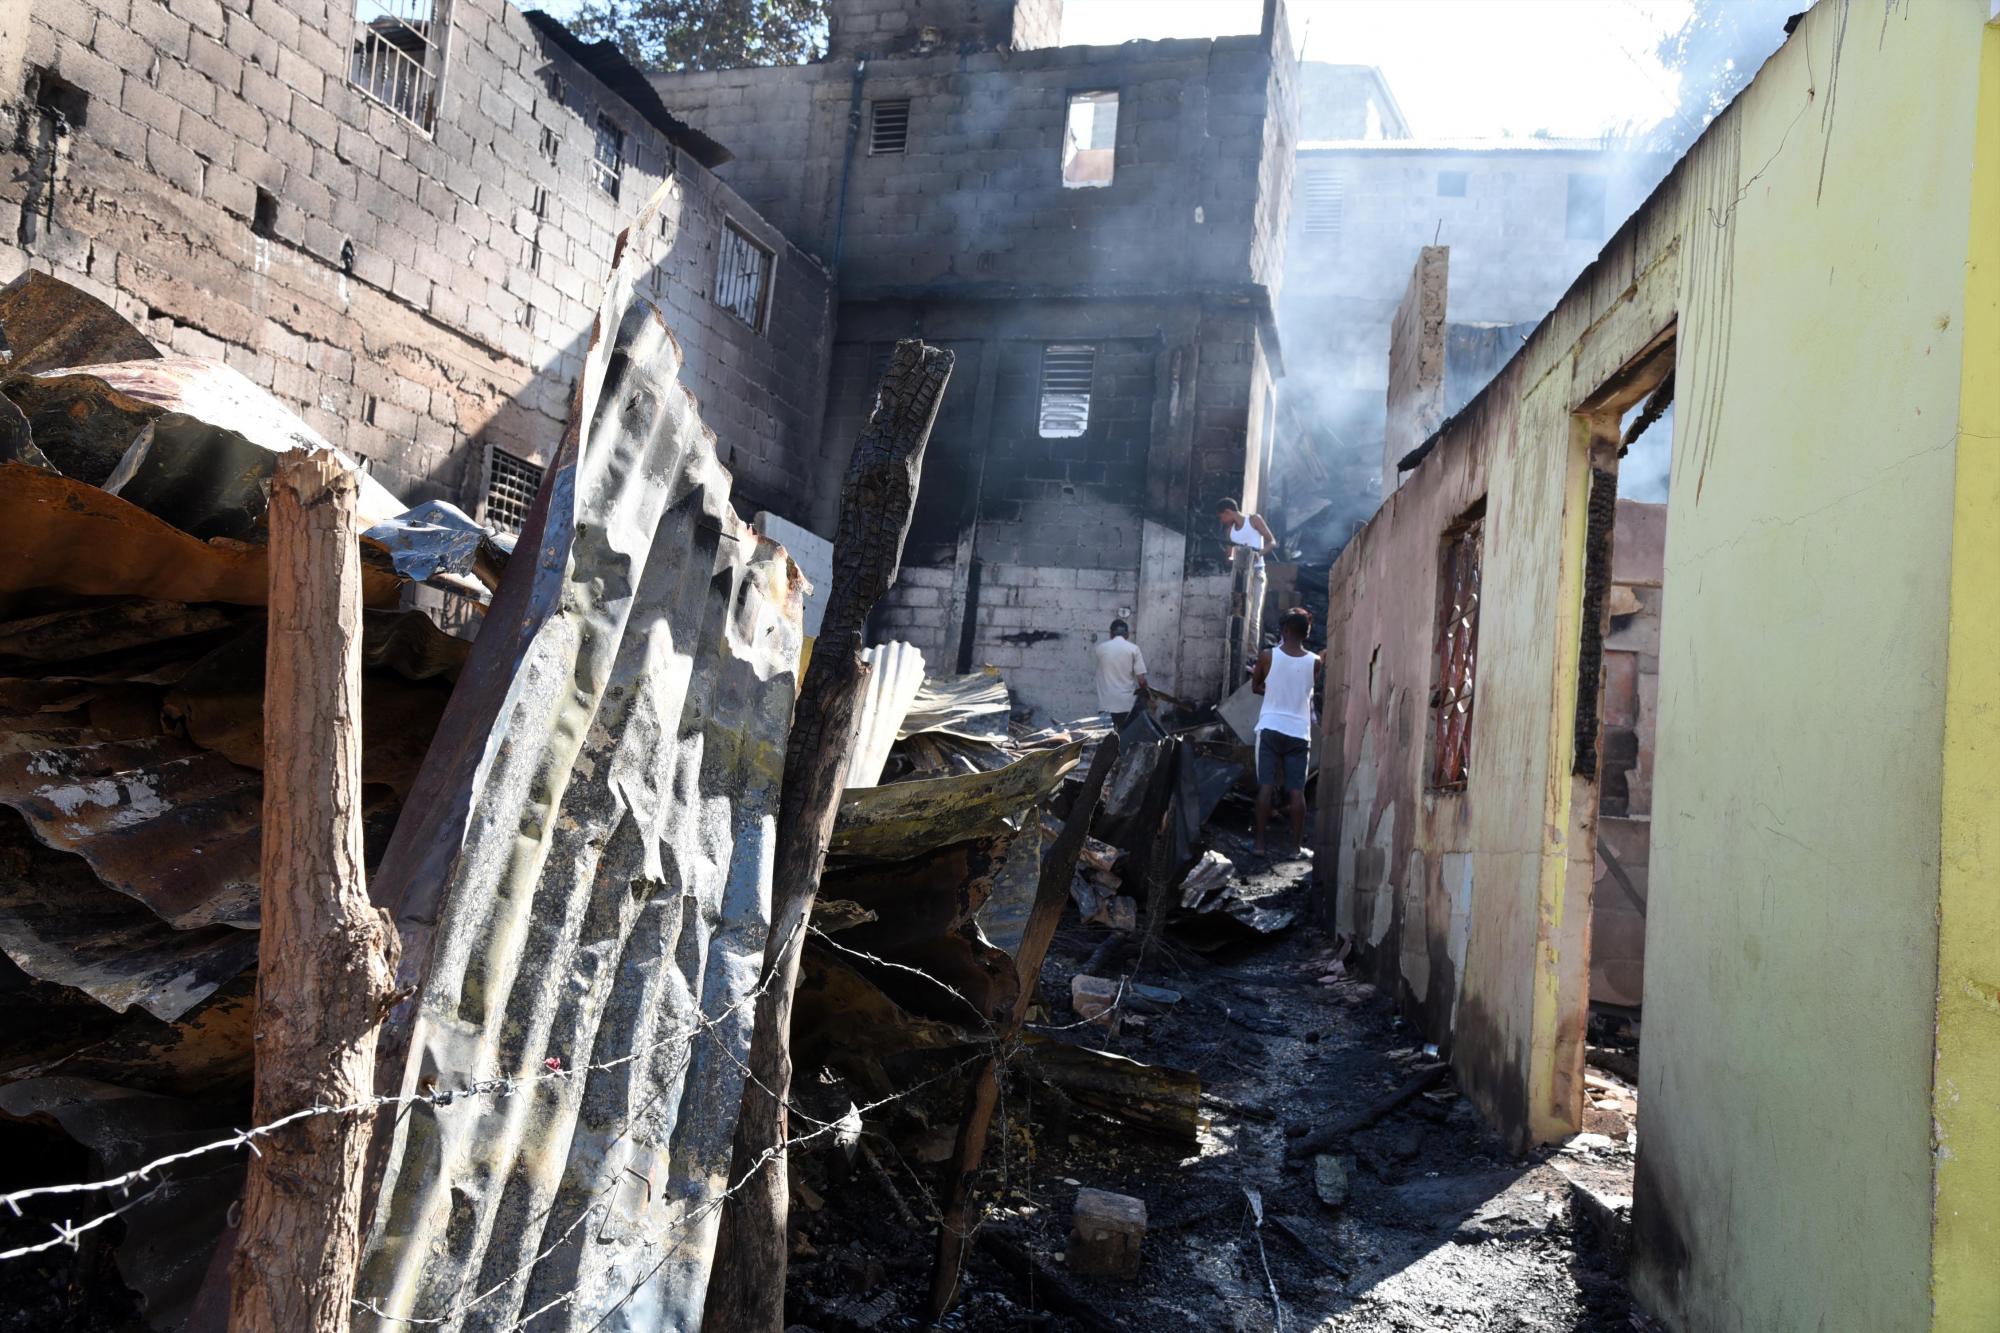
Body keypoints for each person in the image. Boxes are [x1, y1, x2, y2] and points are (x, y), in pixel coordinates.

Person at [1251, 607, 1321, 861]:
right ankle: (1294, 848)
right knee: (1296, 790)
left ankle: (1259, 844)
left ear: (1285, 630)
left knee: (1266, 786)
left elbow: (1256, 686)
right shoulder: (1315, 661)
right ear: (1306, 633)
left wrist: (1271, 691)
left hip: (1270, 726)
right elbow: (1307, 691)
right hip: (1299, 732)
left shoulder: (1267, 656)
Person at [1091, 619, 1150, 728]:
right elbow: (1141, 680)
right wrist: (1147, 691)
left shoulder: (1099, 649)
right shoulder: (1134, 649)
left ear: (1110, 634)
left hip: (1106, 704)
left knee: (1107, 740)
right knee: (1125, 737)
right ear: (1127, 634)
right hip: (1126, 705)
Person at [1216, 498, 1275, 570]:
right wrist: (1231, 560)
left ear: (1228, 512)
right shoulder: (1229, 531)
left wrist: (1257, 555)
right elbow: (1228, 557)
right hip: (1239, 570)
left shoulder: (1254, 520)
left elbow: (1272, 542)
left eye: (1220, 517)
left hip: (1257, 569)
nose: (1221, 521)